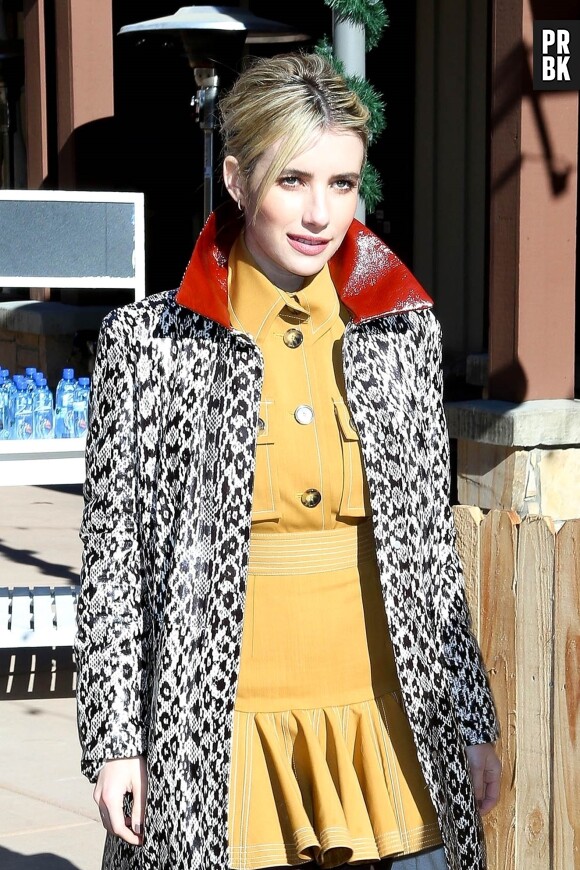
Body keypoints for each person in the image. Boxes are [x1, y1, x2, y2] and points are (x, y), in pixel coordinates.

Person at [74, 52, 501, 870]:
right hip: (217, 732)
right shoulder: (148, 343)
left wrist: (471, 717)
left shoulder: (403, 333)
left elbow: (430, 556)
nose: (320, 213)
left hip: (392, 720)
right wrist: (116, 741)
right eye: (293, 180)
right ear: (237, 180)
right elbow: (113, 566)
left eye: (342, 184)